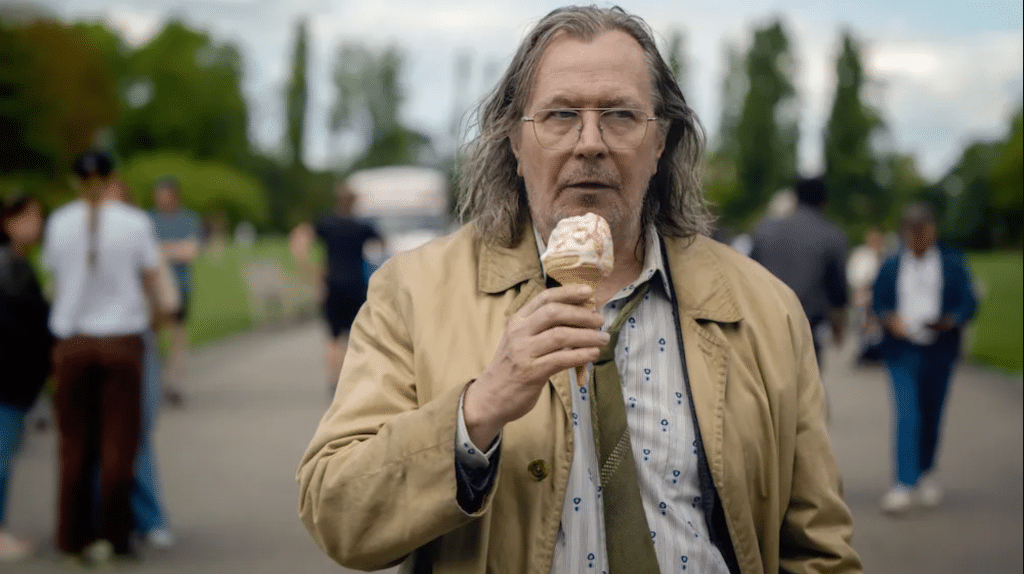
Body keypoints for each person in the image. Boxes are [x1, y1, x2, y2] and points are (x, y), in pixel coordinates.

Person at [297, 6, 861, 573]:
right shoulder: (413, 293)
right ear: (516, 143)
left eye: (619, 115)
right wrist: (476, 413)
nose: (589, 143)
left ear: (660, 141)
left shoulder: (764, 307)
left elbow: (818, 548)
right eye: (561, 115)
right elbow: (337, 513)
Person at [44, 150, 163, 564]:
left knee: (75, 444)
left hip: (74, 341)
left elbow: (58, 281)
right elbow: (150, 280)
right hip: (121, 340)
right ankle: (115, 532)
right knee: (119, 442)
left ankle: (73, 534)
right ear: (113, 177)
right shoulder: (134, 223)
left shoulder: (59, 223)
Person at [873, 203, 977, 514]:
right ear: (905, 233)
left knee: (931, 413)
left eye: (923, 232)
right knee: (908, 413)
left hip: (939, 349)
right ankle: (904, 482)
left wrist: (951, 320)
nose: (918, 239)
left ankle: (925, 471)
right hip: (902, 350)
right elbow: (878, 303)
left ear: (933, 231)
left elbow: (967, 303)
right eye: (912, 232)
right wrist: (889, 319)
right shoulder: (891, 265)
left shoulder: (952, 263)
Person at [106, 176, 176, 549]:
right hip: (104, 343)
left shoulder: (137, 233)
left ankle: (146, 516)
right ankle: (125, 516)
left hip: (134, 339)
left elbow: (162, 292)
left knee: (136, 430)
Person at [288, 183, 381, 393]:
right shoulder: (362, 226)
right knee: (355, 335)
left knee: (332, 336)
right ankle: (351, 380)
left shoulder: (327, 224)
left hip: (332, 285)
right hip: (356, 285)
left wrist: (310, 269)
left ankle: (333, 379)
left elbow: (298, 238)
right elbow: (383, 247)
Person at [750, 176, 849, 368]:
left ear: (795, 197)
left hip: (764, 323)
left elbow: (747, 274)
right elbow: (837, 289)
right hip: (806, 326)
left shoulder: (764, 230)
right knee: (805, 388)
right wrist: (838, 327)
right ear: (824, 201)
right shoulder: (831, 236)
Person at [0, 193, 51, 561]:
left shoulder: (18, 264)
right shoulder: (9, 268)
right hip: (9, 383)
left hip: (17, 384)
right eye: (30, 217)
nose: (38, 225)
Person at [150, 175, 202, 407]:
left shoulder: (188, 219)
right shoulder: (148, 219)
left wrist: (161, 250)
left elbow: (190, 251)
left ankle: (175, 383)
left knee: (177, 337)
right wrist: (173, 249)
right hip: (153, 288)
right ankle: (154, 382)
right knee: (152, 337)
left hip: (179, 286)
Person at [847, 227, 886, 364]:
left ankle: (873, 351)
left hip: (875, 294)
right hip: (864, 292)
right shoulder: (863, 255)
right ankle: (864, 351)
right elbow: (858, 276)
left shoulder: (882, 254)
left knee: (873, 324)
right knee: (863, 322)